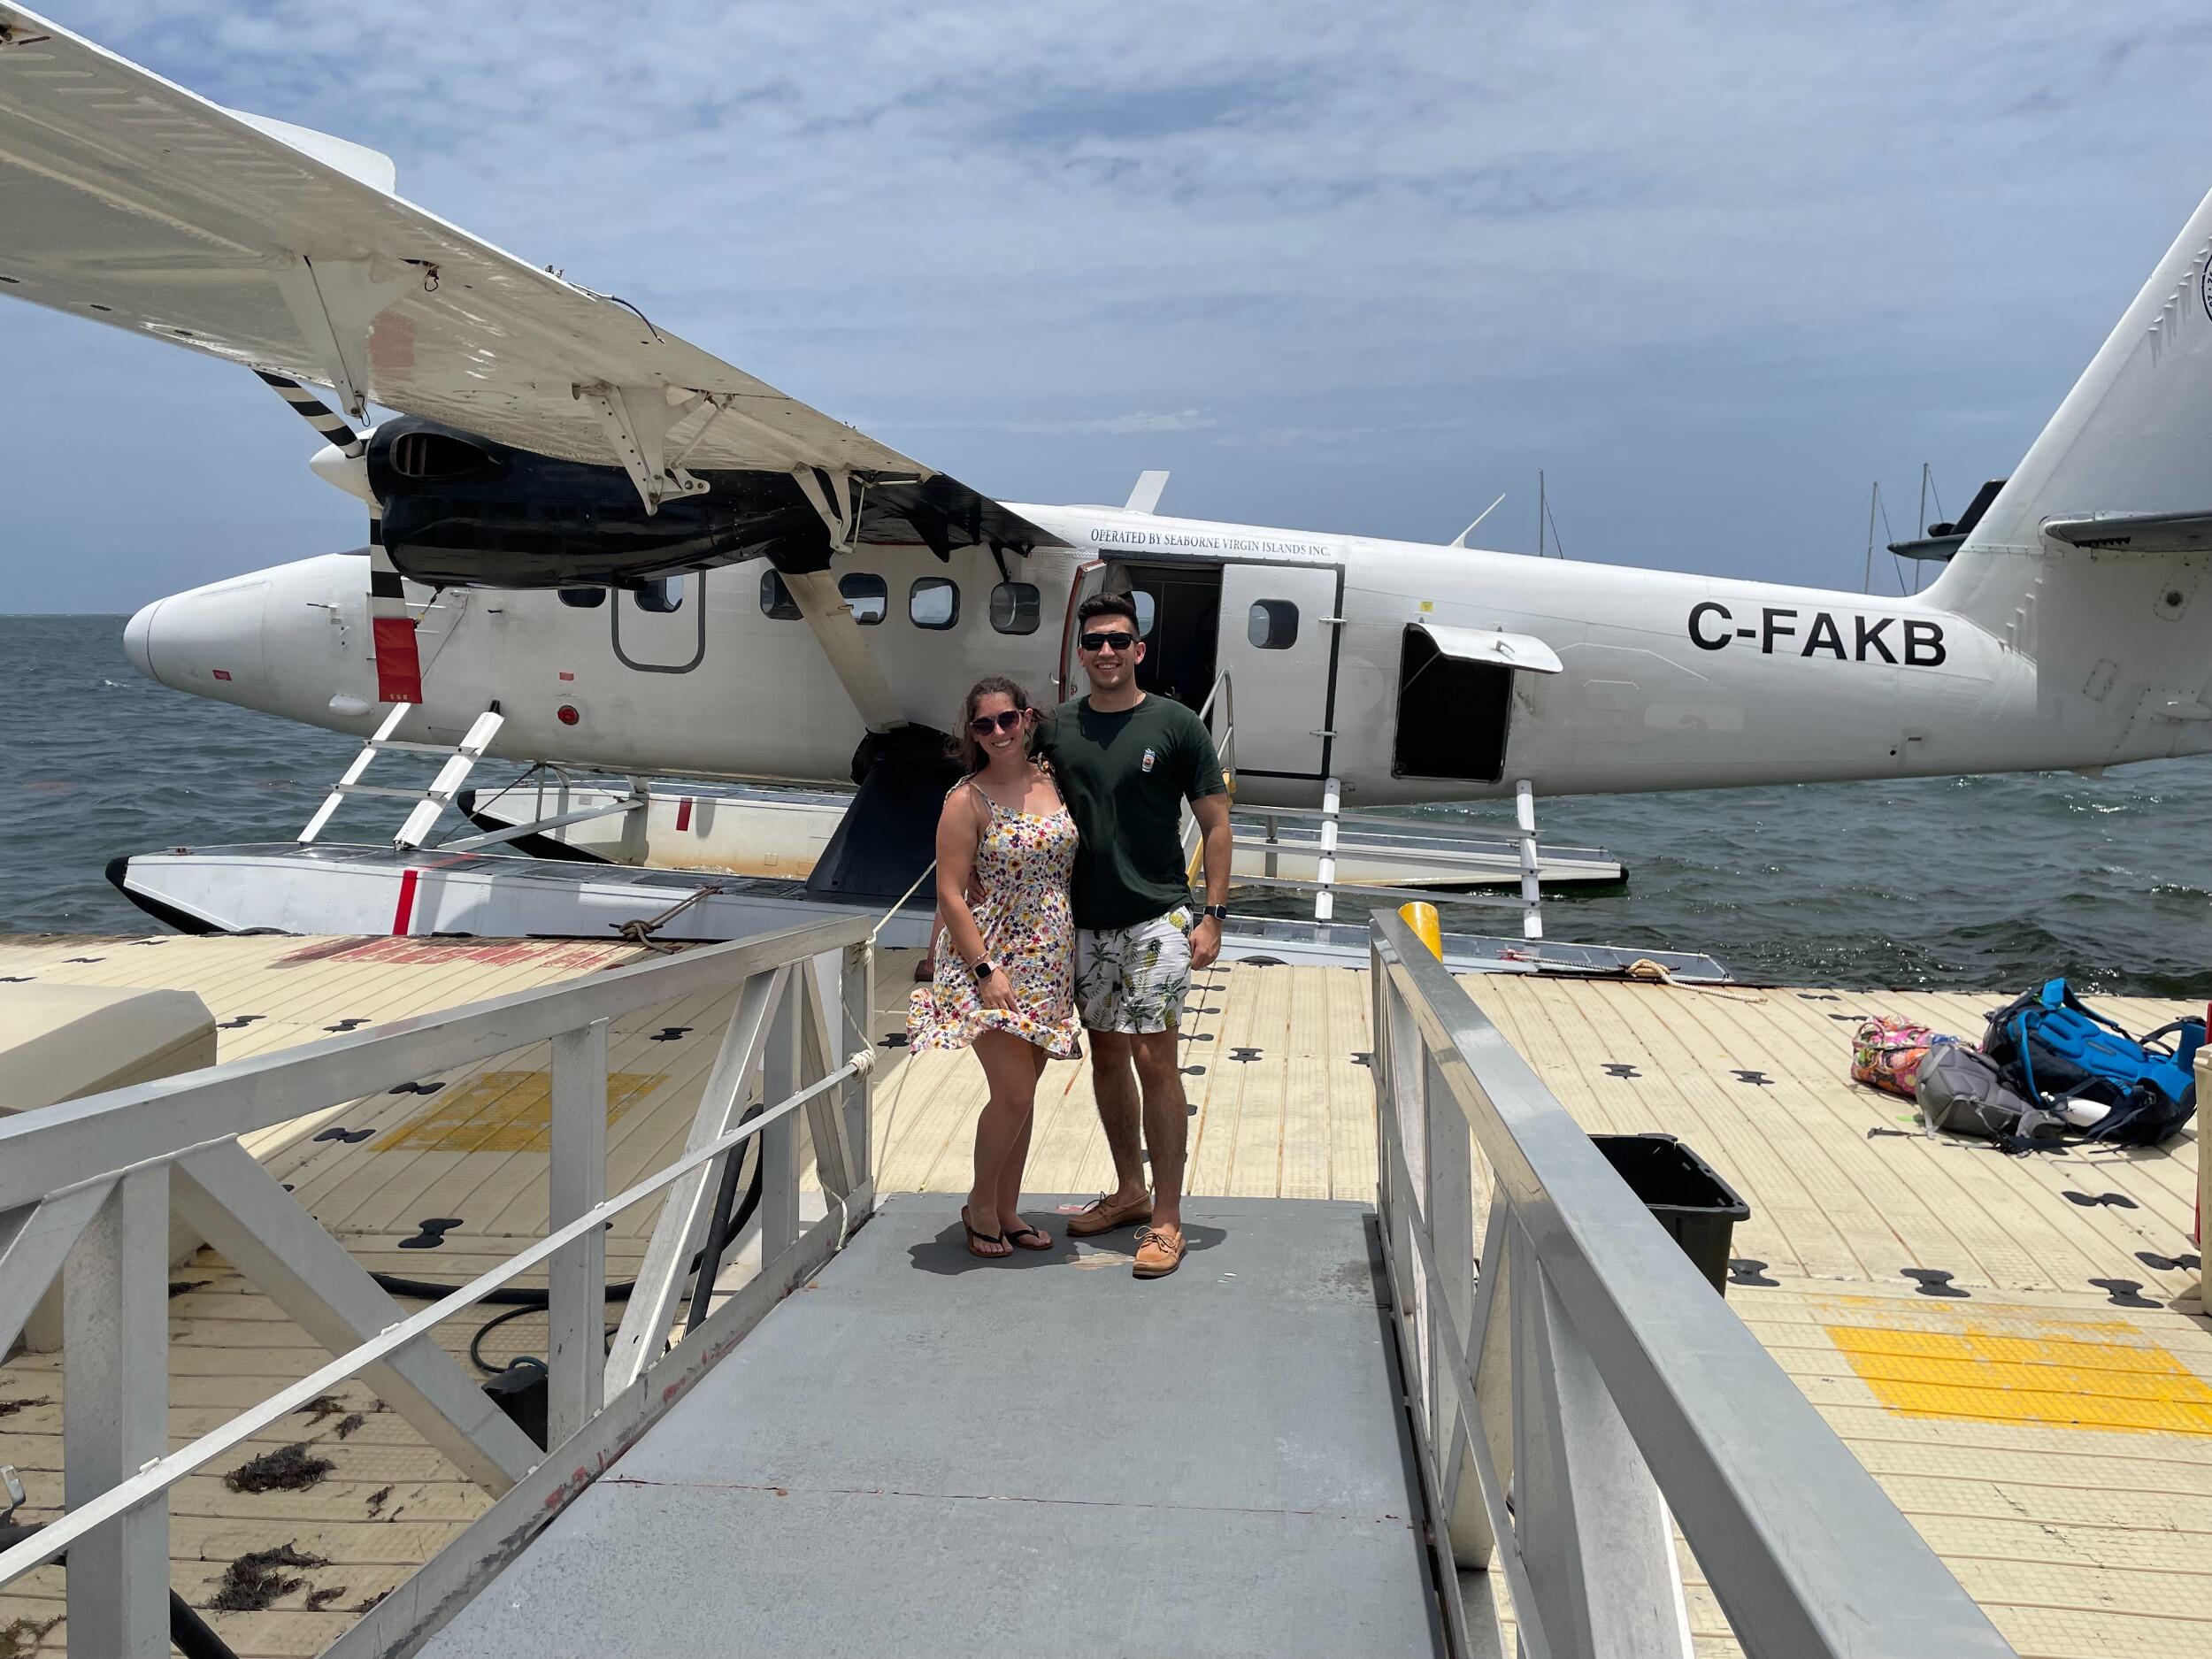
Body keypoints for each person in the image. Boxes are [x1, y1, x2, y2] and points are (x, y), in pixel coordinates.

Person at [1036, 592, 1233, 1279]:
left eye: (1120, 640)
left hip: (1157, 918)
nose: (1108, 652)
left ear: (1139, 649)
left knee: (1156, 1060)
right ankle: (1128, 1190)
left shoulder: (1176, 724)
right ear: (1081, 652)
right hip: (1084, 920)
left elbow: (1216, 825)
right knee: (1108, 1059)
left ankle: (1168, 1216)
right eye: (1095, 642)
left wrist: (1213, 915)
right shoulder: (1055, 729)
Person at [908, 676, 1084, 1258]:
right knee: (1010, 1093)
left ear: (1027, 718)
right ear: (973, 733)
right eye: (984, 724)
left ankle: (1008, 1209)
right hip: (992, 959)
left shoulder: (1053, 781)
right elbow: (951, 894)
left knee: (1025, 1093)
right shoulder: (965, 799)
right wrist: (985, 970)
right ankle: (981, 1204)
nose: (998, 732)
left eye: (1007, 719)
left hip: (1048, 958)